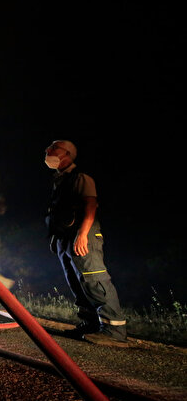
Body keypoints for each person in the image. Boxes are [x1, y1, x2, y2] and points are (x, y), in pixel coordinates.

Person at [44, 140, 128, 347]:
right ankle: (90, 324)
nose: (48, 151)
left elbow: (90, 206)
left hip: (83, 236)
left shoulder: (80, 178)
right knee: (76, 281)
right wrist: (56, 238)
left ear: (67, 154)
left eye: (53, 148)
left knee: (94, 279)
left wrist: (83, 234)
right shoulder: (60, 180)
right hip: (66, 238)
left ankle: (114, 330)